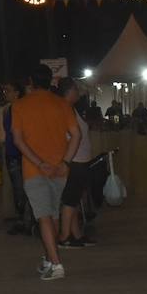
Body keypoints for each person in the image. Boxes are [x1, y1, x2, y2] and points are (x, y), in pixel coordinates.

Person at [11, 64, 81, 281]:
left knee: (43, 216)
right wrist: (65, 163)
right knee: (53, 214)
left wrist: (39, 163)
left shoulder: (20, 106)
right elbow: (76, 135)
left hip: (34, 169)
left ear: (30, 82)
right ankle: (50, 258)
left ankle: (57, 265)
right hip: (60, 169)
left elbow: (18, 140)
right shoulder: (61, 104)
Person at [56, 79, 96, 249]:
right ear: (70, 91)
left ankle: (76, 234)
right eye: (77, 90)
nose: (79, 94)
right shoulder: (65, 109)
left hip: (78, 160)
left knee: (73, 200)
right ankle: (65, 236)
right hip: (74, 160)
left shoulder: (70, 109)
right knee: (70, 200)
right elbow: (70, 135)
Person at [0, 81, 32, 232]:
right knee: (18, 189)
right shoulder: (6, 110)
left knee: (25, 187)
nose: (6, 93)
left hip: (21, 152)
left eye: (8, 90)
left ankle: (27, 219)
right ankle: (23, 218)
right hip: (14, 152)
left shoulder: (20, 108)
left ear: (17, 92)